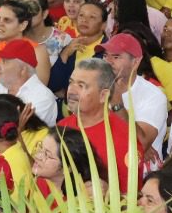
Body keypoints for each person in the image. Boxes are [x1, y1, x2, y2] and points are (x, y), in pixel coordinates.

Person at [55, 58, 133, 192]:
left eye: (81, 86)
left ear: (103, 95)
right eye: (71, 82)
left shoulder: (124, 138)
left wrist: (108, 194)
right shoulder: (62, 127)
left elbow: (132, 196)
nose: (71, 91)